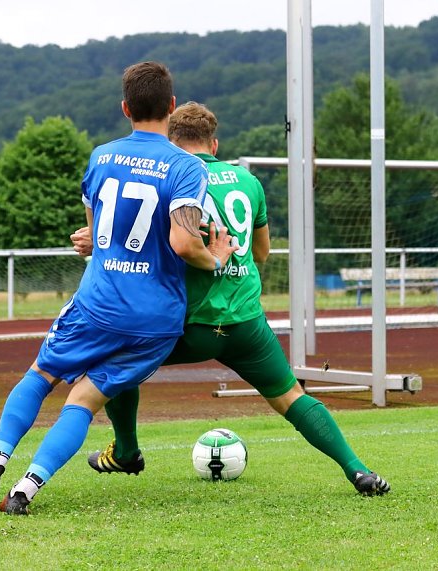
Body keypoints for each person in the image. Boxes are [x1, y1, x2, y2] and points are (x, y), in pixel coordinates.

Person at [0, 62, 237, 515]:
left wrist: (97, 242)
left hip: (98, 304)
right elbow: (182, 242)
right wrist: (217, 258)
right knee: (83, 400)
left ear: (125, 108)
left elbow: (96, 232)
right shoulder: (186, 166)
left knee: (41, 375)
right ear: (171, 107)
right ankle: (24, 491)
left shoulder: (102, 156)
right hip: (155, 319)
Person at [73, 102, 390, 496]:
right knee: (291, 397)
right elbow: (262, 253)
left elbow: (158, 245)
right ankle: (358, 471)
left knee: (113, 360)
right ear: (215, 144)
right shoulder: (247, 181)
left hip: (187, 324)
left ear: (171, 141)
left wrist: (98, 242)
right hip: (245, 321)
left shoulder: (172, 176)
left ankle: (126, 452)